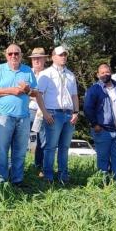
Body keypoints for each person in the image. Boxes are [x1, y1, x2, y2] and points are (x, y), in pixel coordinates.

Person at [0, 44, 46, 186]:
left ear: (21, 55)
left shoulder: (27, 70)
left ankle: (17, 180)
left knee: (20, 150)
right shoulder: (0, 69)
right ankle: (0, 181)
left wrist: (27, 90)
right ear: (5, 55)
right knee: (1, 149)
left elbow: (35, 93)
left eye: (16, 53)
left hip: (23, 116)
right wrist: (11, 91)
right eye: (10, 54)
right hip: (3, 116)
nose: (13, 56)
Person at [37, 45, 79, 184]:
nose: (63, 57)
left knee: (64, 147)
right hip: (53, 113)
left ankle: (63, 176)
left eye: (65, 55)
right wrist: (45, 113)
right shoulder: (46, 74)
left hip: (68, 114)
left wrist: (76, 112)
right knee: (50, 147)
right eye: (60, 55)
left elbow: (74, 96)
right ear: (53, 57)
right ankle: (48, 176)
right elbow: (39, 95)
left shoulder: (70, 74)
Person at [84, 63, 116, 181]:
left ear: (111, 72)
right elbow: (87, 108)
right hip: (102, 130)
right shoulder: (95, 89)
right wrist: (94, 124)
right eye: (102, 72)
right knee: (103, 158)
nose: (105, 74)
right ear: (98, 75)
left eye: (107, 72)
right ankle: (103, 182)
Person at [26, 47, 48, 176]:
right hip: (28, 109)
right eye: (34, 58)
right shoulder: (27, 72)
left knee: (43, 141)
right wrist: (36, 94)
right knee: (22, 138)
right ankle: (18, 167)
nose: (37, 60)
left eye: (39, 58)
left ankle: (40, 168)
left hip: (43, 110)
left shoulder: (49, 73)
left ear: (45, 59)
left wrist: (33, 93)